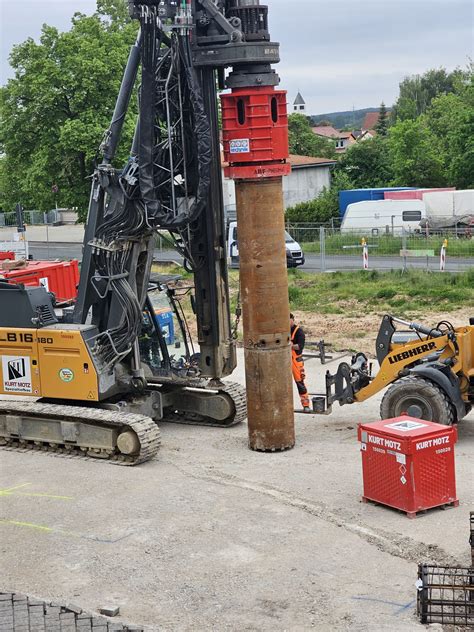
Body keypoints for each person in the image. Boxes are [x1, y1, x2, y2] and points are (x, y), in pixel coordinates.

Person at [290, 313, 310, 412]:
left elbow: (300, 346)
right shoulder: (283, 330)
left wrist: (289, 346)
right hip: (284, 359)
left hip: (295, 360)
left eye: (289, 320)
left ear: (293, 320)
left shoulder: (299, 332)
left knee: (300, 382)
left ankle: (306, 404)